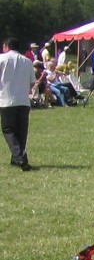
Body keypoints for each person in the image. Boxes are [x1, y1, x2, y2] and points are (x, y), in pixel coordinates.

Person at [0, 37, 36, 170]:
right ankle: (16, 158)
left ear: (7, 46)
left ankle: (20, 157)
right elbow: (33, 82)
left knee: (8, 130)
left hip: (6, 100)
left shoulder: (2, 59)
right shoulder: (27, 61)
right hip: (23, 100)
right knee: (21, 131)